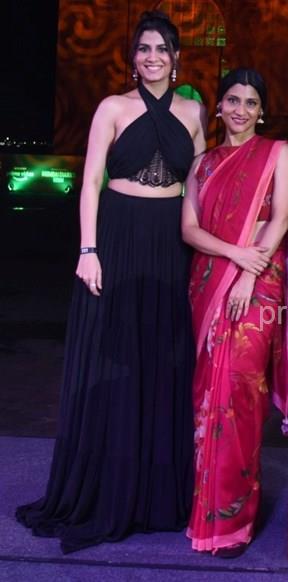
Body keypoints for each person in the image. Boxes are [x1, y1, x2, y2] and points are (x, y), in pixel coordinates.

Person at [15, 11, 206, 553]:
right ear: (133, 57)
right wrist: (88, 249)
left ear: (176, 57)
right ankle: (107, 488)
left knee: (162, 360)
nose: (152, 57)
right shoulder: (112, 107)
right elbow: (91, 182)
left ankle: (155, 495)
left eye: (162, 49)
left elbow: (196, 187)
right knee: (113, 359)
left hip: (169, 241)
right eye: (144, 48)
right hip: (118, 236)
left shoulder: (194, 112)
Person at [181, 68, 288, 558]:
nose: (241, 110)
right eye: (233, 100)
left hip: (257, 284)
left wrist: (250, 272)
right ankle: (205, 510)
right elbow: (189, 229)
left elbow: (282, 217)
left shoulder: (277, 153)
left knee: (239, 393)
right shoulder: (203, 164)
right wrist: (235, 256)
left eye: (251, 102)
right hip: (210, 281)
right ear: (219, 106)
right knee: (208, 395)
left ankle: (234, 520)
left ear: (262, 110)